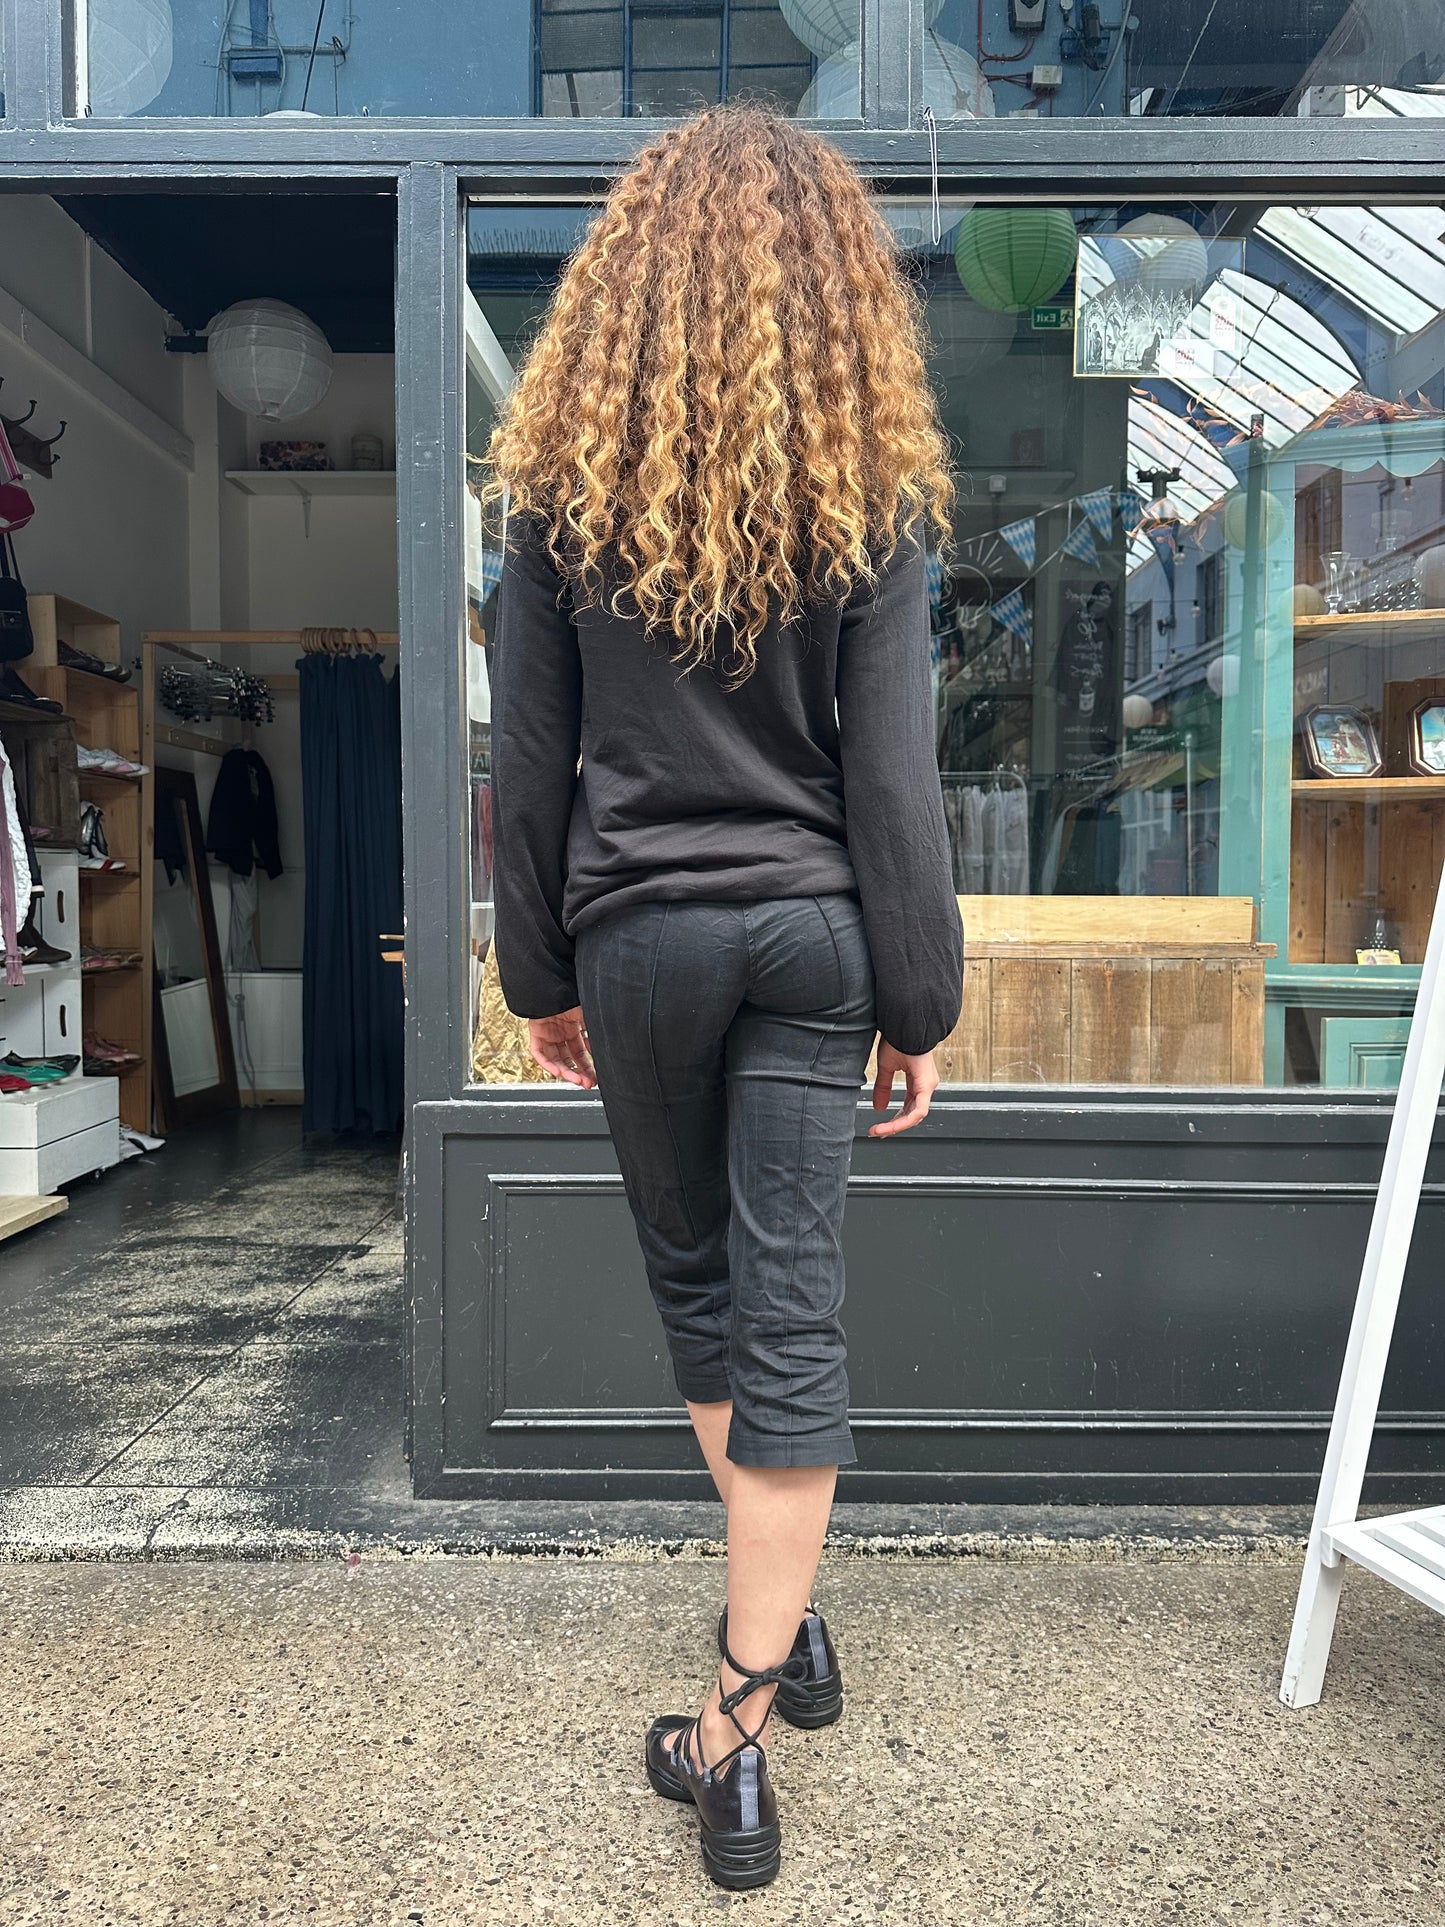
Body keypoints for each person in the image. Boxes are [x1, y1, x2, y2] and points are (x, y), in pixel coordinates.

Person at [481, 103, 964, 1892]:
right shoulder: (866, 499)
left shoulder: (559, 499)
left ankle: (734, 1727)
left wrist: (538, 977)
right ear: (838, 296)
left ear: (618, 288)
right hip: (816, 939)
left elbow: (528, 766)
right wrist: (916, 999)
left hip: (645, 939)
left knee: (703, 1289)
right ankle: (781, 1637)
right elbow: (893, 779)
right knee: (795, 1311)